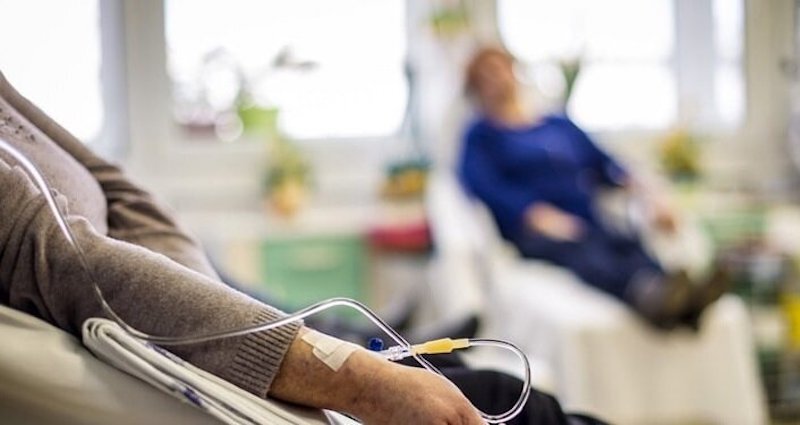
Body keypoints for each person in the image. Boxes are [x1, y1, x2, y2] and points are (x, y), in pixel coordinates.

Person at [0, 70, 604, 424]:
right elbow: (68, 263)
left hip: (170, 291)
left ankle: (384, 331)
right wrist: (364, 383)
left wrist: (194, 284)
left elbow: (116, 184)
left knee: (468, 376)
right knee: (504, 398)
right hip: (154, 332)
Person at [458, 46, 728, 330]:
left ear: (514, 71)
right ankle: (648, 296)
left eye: (499, 69)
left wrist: (651, 195)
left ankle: (681, 296)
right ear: (476, 88)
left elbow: (608, 164)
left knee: (626, 241)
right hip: (537, 232)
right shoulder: (480, 136)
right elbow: (483, 186)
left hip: (587, 218)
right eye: (485, 76)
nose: (497, 79)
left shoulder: (557, 124)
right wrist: (533, 215)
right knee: (586, 251)